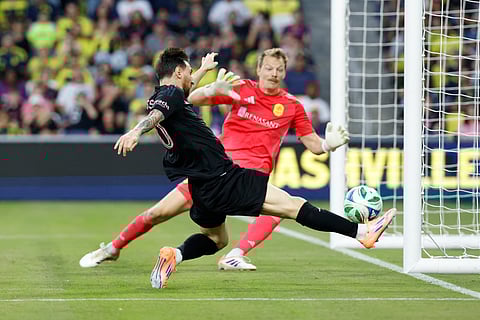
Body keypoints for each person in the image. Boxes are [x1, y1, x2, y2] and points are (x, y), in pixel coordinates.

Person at [78, 48, 395, 273]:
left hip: (206, 183)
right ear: (258, 70)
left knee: (217, 238)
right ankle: (360, 233)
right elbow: (182, 100)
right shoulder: (234, 90)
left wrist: (327, 144)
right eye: (268, 67)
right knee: (294, 207)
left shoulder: (291, 105)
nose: (274, 73)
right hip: (227, 176)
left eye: (279, 69)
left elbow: (179, 98)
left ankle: (176, 253)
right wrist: (136, 131)